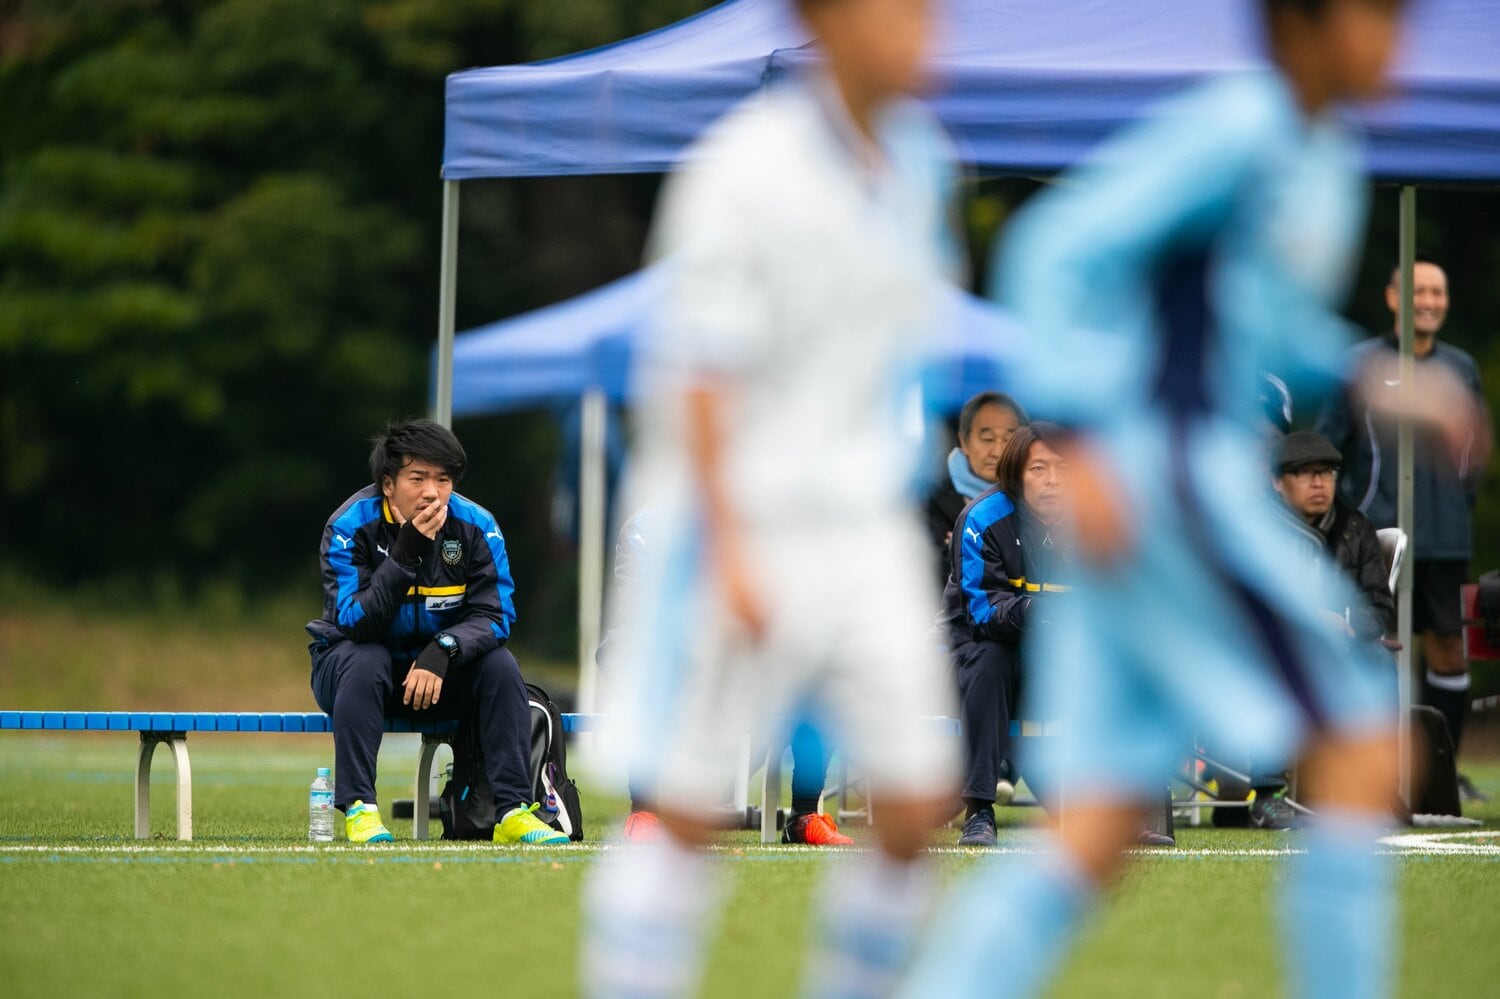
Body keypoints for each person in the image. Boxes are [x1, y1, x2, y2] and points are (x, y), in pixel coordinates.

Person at [896, 3, 1478, 997]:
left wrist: (1370, 374)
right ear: (1308, 23)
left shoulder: (1323, 153)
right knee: (1357, 741)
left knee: (1093, 828)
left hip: (1165, 487)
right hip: (1169, 479)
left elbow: (1258, 317)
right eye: (1381, 14)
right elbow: (1050, 252)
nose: (1400, 38)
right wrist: (1084, 442)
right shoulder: (1244, 127)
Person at [581, 0, 959, 995]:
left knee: (916, 803)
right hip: (739, 518)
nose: (925, 29)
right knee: (687, 810)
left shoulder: (921, 165)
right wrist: (731, 546)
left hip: (865, 531)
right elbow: (699, 377)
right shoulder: (744, 169)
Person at [305, 419, 567, 846]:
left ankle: (513, 811)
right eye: (418, 478)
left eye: (443, 480)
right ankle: (360, 809)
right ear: (388, 484)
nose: (432, 492)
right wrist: (406, 551)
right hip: (356, 671)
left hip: (440, 675)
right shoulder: (349, 526)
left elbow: (495, 615)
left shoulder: (477, 526)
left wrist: (443, 650)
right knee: (366, 658)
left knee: (501, 665)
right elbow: (354, 622)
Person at [1315, 257, 1491, 802]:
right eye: (1419, 292)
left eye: (1438, 292)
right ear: (1394, 298)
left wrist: (1454, 507)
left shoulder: (1460, 368)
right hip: (1378, 535)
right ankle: (1368, 773)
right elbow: (1327, 446)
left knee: (1448, 648)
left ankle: (1443, 774)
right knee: (1372, 644)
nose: (1429, 302)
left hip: (1444, 537)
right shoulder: (1359, 365)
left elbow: (1472, 451)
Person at [596, 507, 852, 846]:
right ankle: (645, 812)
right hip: (673, 655)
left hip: (738, 656)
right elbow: (641, 621)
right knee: (637, 662)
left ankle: (804, 816)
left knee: (818, 665)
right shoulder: (646, 528)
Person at [1245, 430, 1399, 829]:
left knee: (1380, 659)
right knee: (1272, 658)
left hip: (1341, 648)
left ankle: (1372, 791)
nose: (1319, 483)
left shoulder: (1356, 528)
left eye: (1327, 473)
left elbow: (1381, 609)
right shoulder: (1253, 527)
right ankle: (1267, 795)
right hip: (1268, 643)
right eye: (1306, 473)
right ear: (1278, 482)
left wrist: (1347, 624)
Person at [941, 422, 1075, 846]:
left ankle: (1125, 812)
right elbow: (981, 613)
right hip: (981, 654)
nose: (1052, 480)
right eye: (1038, 468)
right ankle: (979, 811)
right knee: (993, 659)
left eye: (1062, 468)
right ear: (1016, 473)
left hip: (1061, 655)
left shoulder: (1090, 518)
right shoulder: (981, 518)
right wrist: (1039, 613)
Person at [925, 391, 1028, 583]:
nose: (998, 451)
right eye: (987, 439)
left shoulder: (1041, 499)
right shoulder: (931, 501)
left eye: (1009, 439)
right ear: (963, 441)